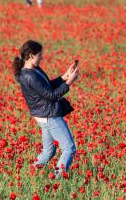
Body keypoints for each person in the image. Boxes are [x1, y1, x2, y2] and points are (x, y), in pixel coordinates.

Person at [13, 40, 79, 179]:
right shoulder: (29, 76)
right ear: (31, 56)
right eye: (39, 55)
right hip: (49, 116)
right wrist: (69, 83)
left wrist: (63, 77)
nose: (42, 57)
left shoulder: (33, 70)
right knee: (69, 148)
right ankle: (57, 178)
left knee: (49, 151)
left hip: (44, 115)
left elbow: (47, 86)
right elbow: (51, 96)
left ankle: (29, 172)